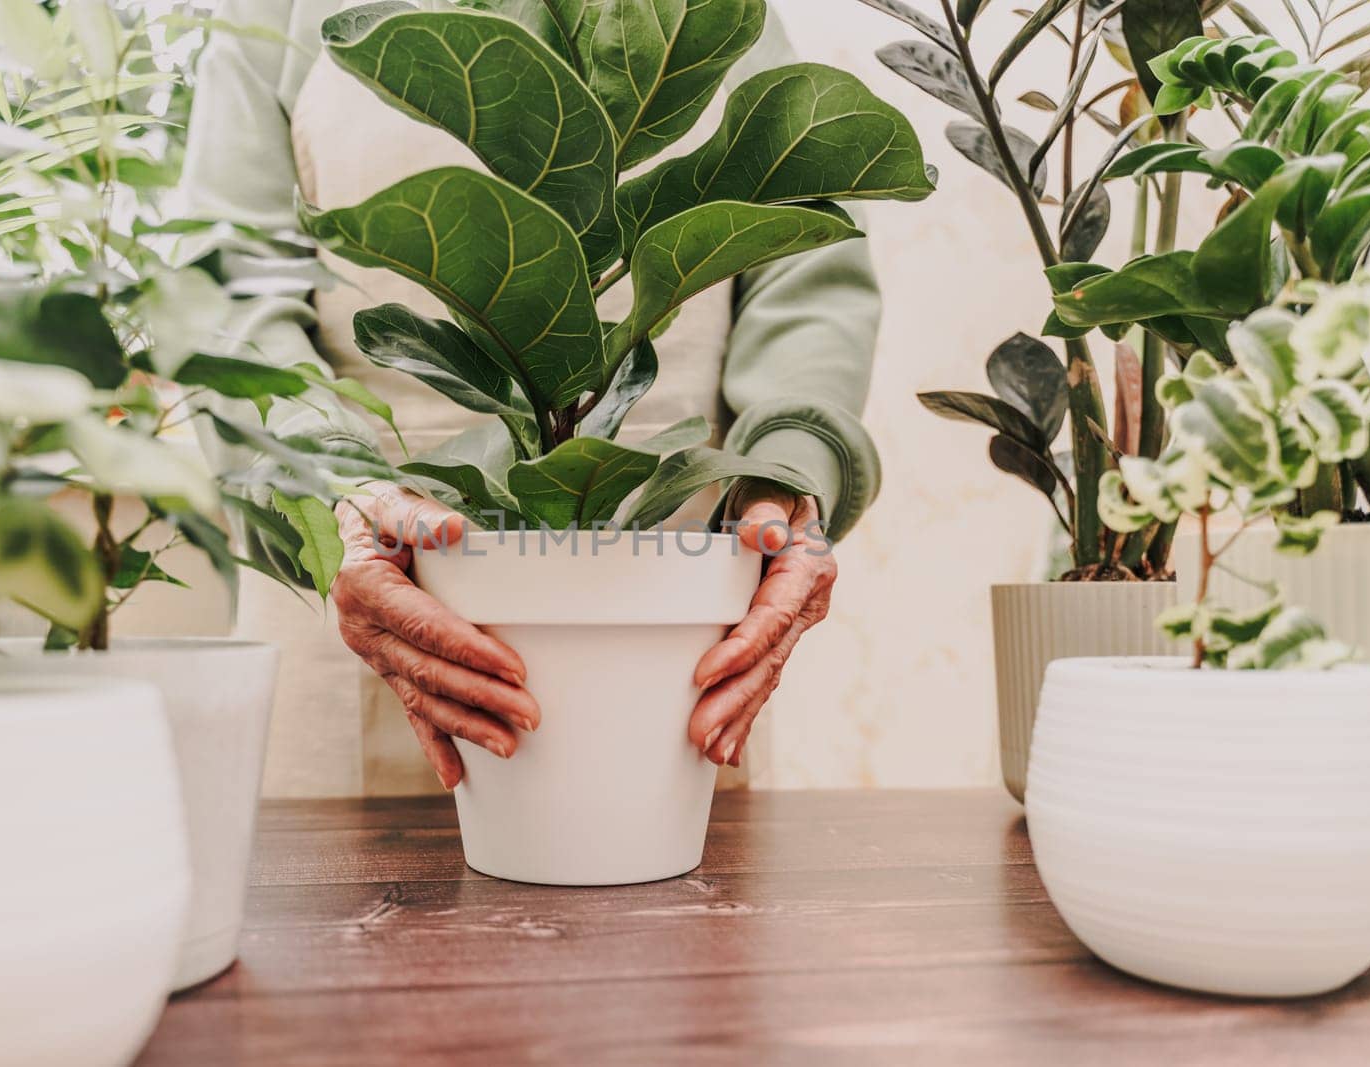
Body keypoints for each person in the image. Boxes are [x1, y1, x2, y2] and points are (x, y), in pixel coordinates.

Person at [180, 0, 884, 793]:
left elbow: (805, 264)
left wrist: (785, 473)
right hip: (348, 612)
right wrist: (331, 488)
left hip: (677, 621)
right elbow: (226, 298)